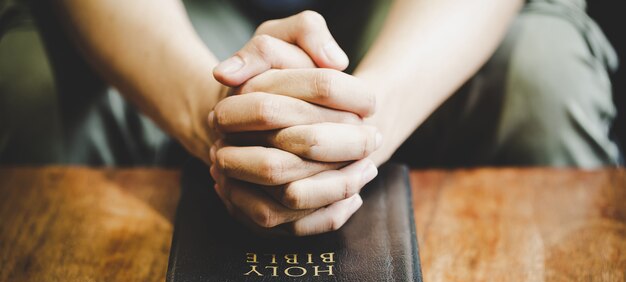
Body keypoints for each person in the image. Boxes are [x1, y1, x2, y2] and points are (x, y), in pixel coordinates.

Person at [0, 0, 621, 235]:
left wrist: (360, 123)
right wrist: (211, 111)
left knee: (547, 80)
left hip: (421, 17)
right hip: (180, 17)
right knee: (30, 86)